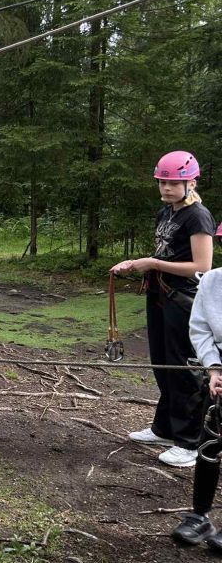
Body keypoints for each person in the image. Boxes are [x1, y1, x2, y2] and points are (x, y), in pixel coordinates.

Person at [112, 151, 215, 468]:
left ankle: (190, 443)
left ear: (190, 183)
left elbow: (202, 266)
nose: (167, 188)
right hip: (161, 295)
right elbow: (167, 254)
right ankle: (165, 428)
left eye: (173, 183)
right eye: (162, 182)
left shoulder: (198, 216)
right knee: (162, 362)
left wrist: (153, 263)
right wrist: (136, 264)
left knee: (183, 366)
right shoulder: (166, 213)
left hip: (185, 299)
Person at [171, 223, 222, 548]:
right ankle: (199, 515)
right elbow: (200, 328)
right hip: (219, 375)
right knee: (210, 445)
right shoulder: (212, 281)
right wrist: (214, 369)